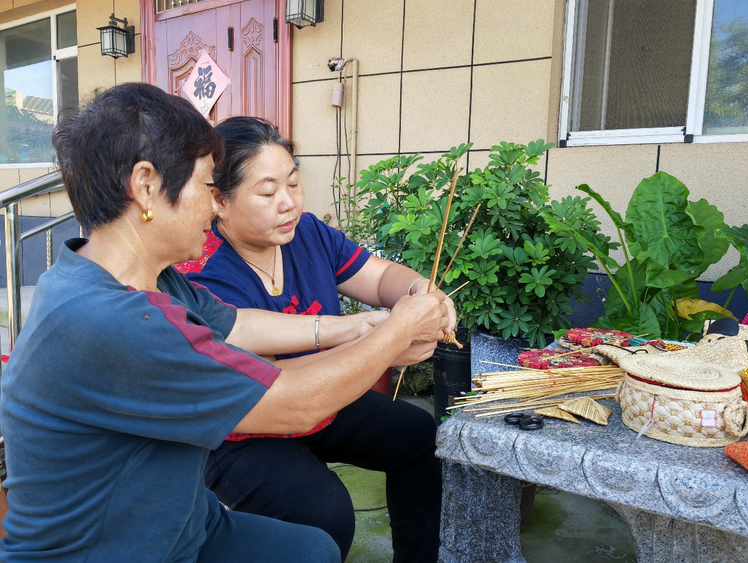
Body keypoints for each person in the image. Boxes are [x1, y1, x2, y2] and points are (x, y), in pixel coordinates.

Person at [0, 83, 450, 562]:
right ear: (147, 185)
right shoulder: (111, 319)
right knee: (321, 522)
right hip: (116, 550)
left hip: (185, 527)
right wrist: (396, 333)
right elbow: (291, 403)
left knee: (312, 549)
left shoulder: (143, 279)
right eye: (204, 184)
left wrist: (360, 328)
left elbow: (236, 326)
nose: (212, 205)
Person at [182, 116, 457, 562]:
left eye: (293, 183)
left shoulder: (307, 232)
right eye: (268, 192)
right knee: (325, 513)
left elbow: (380, 276)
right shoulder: (202, 272)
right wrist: (386, 339)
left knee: (419, 436)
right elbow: (272, 381)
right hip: (245, 428)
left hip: (324, 399)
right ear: (219, 200)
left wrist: (420, 295)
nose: (288, 203)